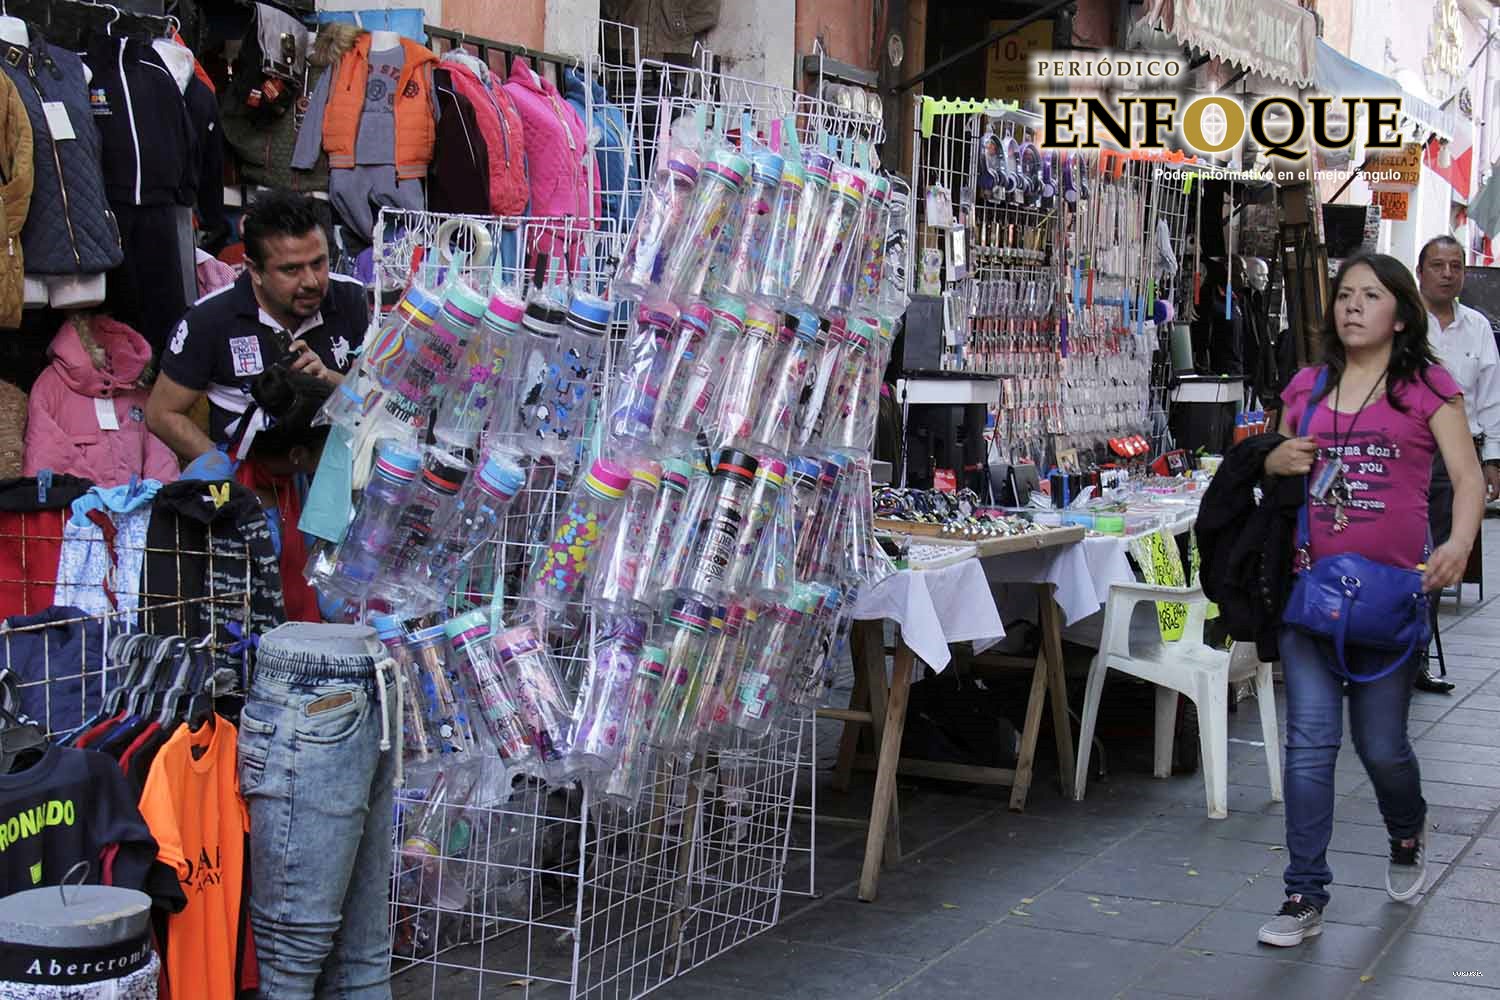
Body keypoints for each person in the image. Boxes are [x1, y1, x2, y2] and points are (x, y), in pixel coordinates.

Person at [1257, 254, 1483, 948]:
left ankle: (1407, 831)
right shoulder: (1307, 387)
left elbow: (1468, 479)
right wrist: (1271, 459)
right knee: (1309, 746)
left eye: (1372, 295)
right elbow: (1270, 472)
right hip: (1311, 598)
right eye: (1345, 295)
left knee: (1381, 748)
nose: (1353, 306)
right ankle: (1303, 894)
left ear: (1402, 314)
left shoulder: (1428, 388)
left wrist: (1458, 545)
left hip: (1391, 600)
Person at [146, 188, 368, 467]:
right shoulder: (209, 320)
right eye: (291, 269)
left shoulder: (353, 298)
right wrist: (230, 473)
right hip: (249, 474)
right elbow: (161, 414)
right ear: (254, 270)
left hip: (340, 470)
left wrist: (330, 381)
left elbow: (384, 399)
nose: (311, 281)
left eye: (318, 263)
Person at [1414, 234, 1500, 692]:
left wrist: (1494, 460)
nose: (1448, 274)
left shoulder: (1478, 327)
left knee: (1437, 558)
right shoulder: (1402, 324)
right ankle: (1377, 651)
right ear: (1420, 272)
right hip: (1405, 453)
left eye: (1456, 266)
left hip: (1455, 459)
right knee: (1395, 554)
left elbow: (1491, 400)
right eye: (1438, 265)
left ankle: (1418, 657)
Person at [231, 365, 334, 623]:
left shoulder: (293, 481)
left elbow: (314, 565)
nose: (332, 454)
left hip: (295, 631)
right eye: (327, 446)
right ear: (297, 455)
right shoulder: (217, 486)